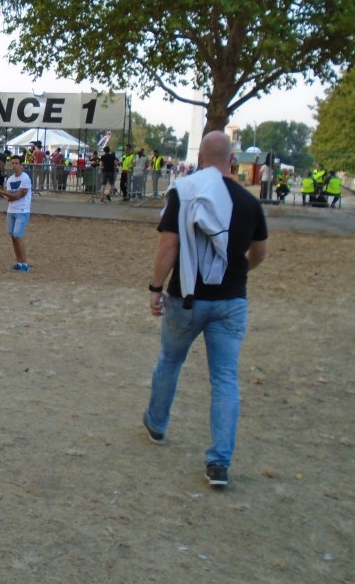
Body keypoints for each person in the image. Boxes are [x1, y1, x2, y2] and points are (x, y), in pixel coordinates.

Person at [143, 131, 268, 489]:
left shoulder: (185, 193)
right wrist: (239, 270)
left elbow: (169, 245)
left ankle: (157, 422)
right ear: (232, 160)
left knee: (170, 361)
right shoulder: (248, 202)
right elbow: (260, 254)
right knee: (225, 379)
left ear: (199, 158)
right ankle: (219, 462)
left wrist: (155, 287)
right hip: (232, 302)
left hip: (188, 296)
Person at [0, 155, 32, 271]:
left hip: (22, 210)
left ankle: (24, 263)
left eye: (16, 163)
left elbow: (18, 196)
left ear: (21, 165)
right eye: (12, 163)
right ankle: (19, 262)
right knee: (13, 237)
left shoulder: (25, 178)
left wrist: (3, 193)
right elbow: (11, 197)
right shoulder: (10, 179)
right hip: (11, 210)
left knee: (17, 236)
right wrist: (5, 194)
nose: (14, 165)